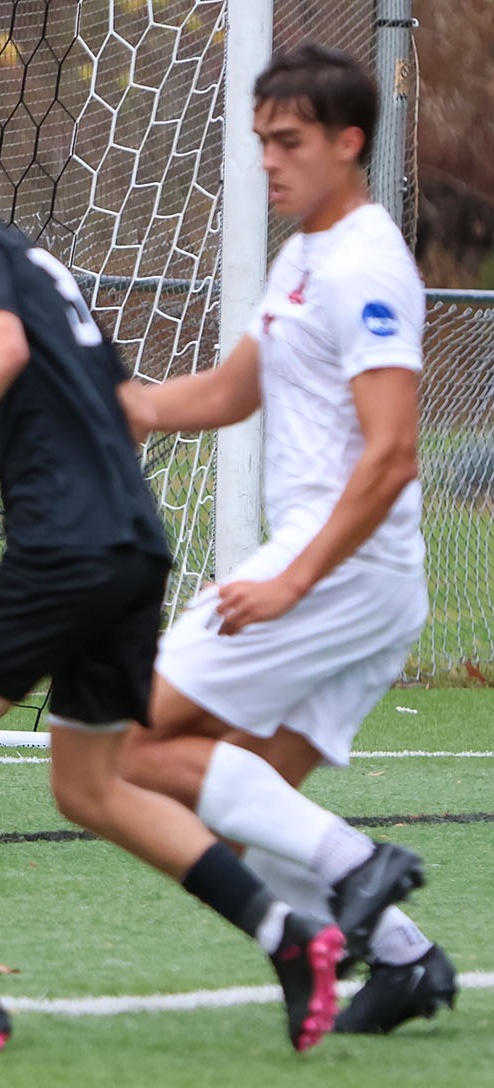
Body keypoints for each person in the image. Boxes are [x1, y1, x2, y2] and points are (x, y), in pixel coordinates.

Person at [0, 113, 343, 1052]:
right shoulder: (31, 260)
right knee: (92, 787)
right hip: (131, 548)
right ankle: (291, 935)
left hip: (65, 553)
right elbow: (112, 401)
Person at [118, 42, 453, 1035]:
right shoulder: (304, 251)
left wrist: (288, 580)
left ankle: (359, 868)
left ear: (348, 142)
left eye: (289, 140)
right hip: (355, 575)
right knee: (241, 792)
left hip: (337, 569)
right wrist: (125, 406)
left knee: (126, 740)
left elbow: (390, 457)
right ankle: (403, 959)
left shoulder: (362, 265)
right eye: (260, 139)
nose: (267, 158)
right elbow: (231, 388)